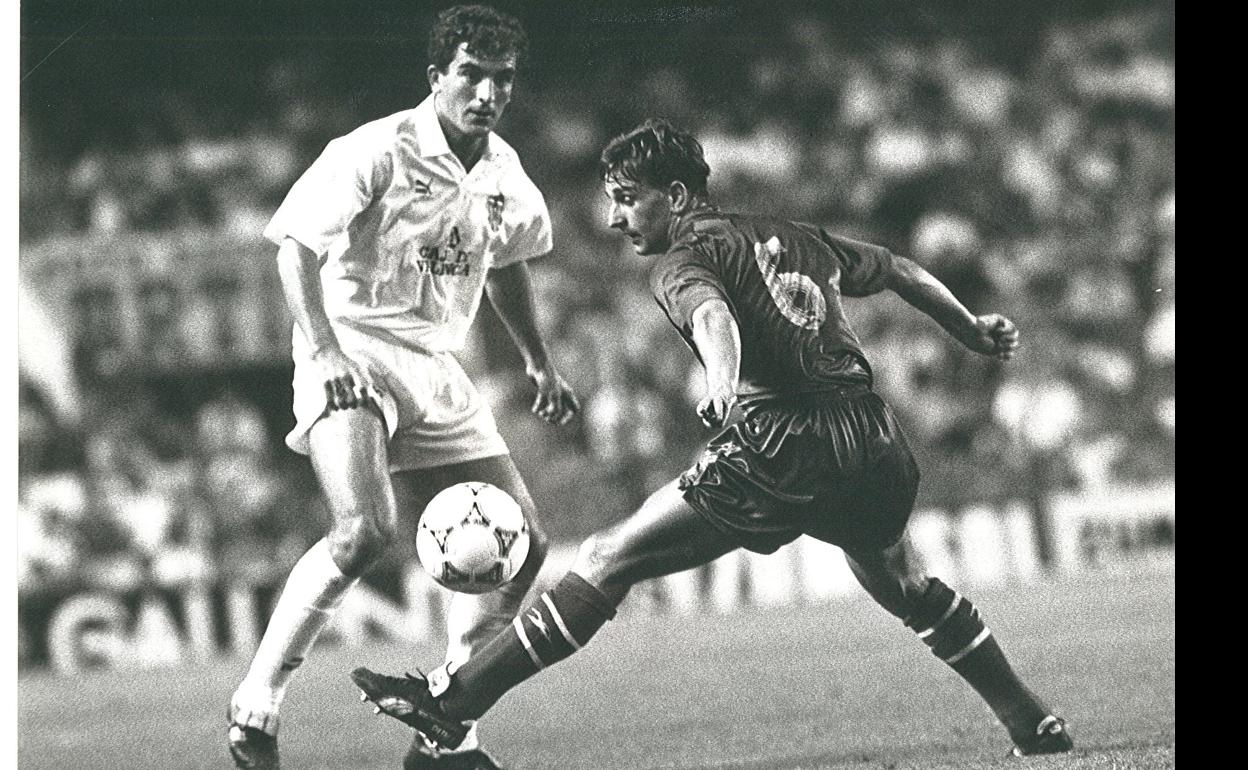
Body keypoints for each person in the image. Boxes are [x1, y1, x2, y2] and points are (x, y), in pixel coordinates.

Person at [351, 119, 1074, 759]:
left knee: (607, 558)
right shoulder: (797, 236)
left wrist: (722, 383)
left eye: (626, 197)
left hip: (782, 438)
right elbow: (900, 269)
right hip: (872, 435)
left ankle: (453, 706)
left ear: (675, 193)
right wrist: (973, 329)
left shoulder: (685, 261)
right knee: (904, 582)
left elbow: (713, 319)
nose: (613, 217)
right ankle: (1031, 721)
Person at [226, 6, 579, 770]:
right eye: (471, 75)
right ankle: (256, 703)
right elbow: (294, 251)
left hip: (436, 365)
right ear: (437, 78)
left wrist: (537, 360)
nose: (487, 93)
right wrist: (322, 351)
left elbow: (509, 265)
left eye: (502, 80)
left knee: (526, 546)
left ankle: (444, 728)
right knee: (366, 532)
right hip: (352, 346)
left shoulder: (504, 176)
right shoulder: (375, 150)